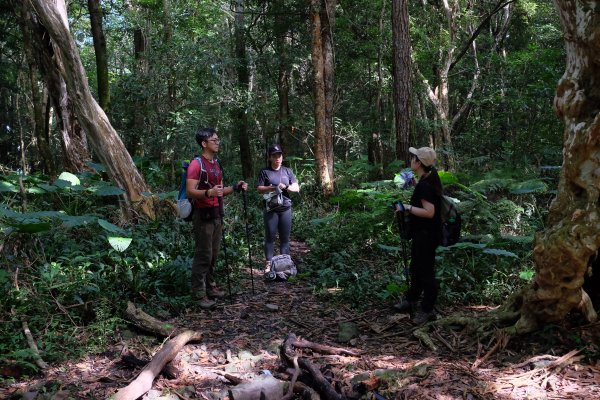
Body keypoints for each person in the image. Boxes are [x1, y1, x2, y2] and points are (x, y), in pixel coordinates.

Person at [186, 128, 248, 309]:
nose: (217, 142)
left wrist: (235, 187)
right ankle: (198, 294)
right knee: (203, 254)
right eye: (214, 140)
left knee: (213, 254)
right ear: (204, 143)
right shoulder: (197, 164)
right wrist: (208, 192)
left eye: (218, 139)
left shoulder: (216, 163)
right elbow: (191, 191)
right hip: (203, 215)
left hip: (216, 214)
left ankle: (210, 287)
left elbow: (220, 191)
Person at [394, 146, 442, 325]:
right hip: (425, 234)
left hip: (426, 235)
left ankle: (427, 309)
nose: (411, 160)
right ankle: (412, 299)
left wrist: (406, 207)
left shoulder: (425, 185)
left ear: (419, 162)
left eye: (413, 158)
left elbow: (429, 212)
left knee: (425, 272)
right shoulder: (427, 180)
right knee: (416, 268)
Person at [256, 144, 300, 273]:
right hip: (271, 208)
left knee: (285, 238)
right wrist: (272, 187)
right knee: (270, 236)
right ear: (270, 157)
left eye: (279, 155)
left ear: (282, 156)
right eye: (274, 156)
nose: (277, 158)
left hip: (285, 208)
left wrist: (285, 186)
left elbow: (296, 188)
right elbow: (259, 188)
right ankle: (268, 264)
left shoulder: (287, 171)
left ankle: (285, 264)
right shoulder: (265, 172)